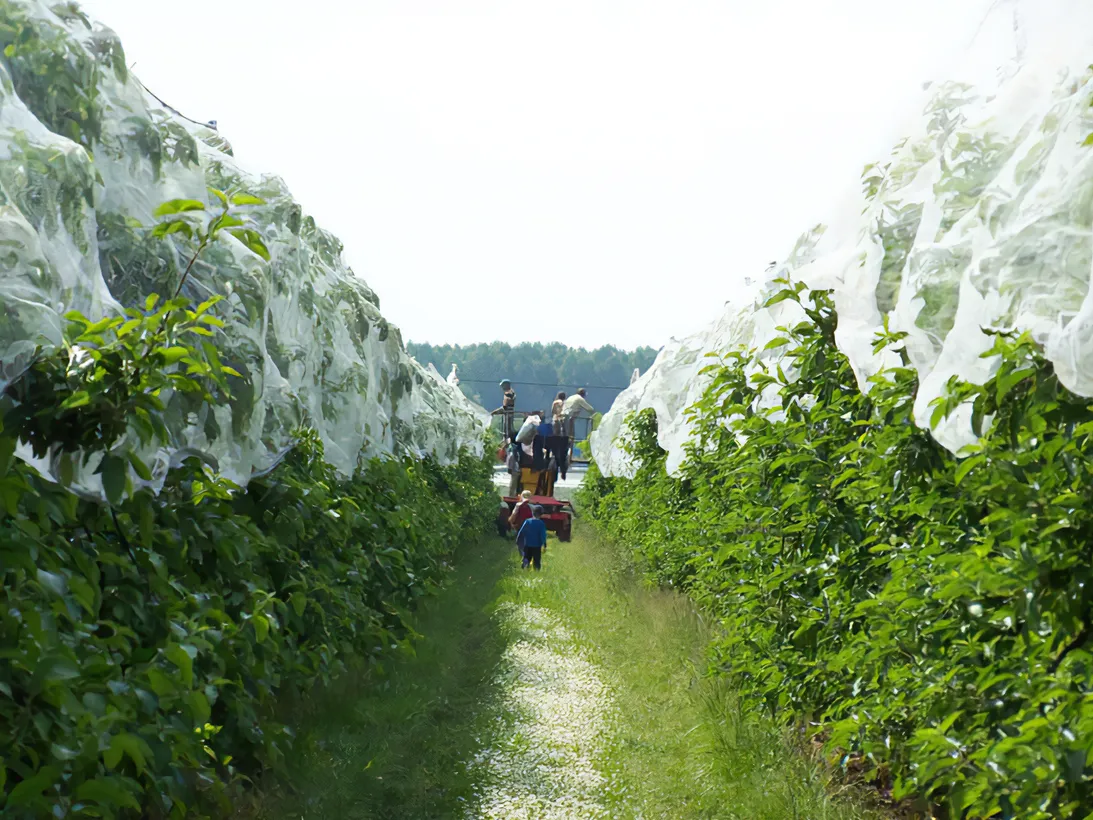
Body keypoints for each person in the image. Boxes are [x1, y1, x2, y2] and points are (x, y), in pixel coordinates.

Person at [516, 506, 548, 571]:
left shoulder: (527, 521)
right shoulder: (541, 523)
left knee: (526, 559)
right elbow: (543, 535)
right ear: (541, 514)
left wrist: (518, 540)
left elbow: (521, 532)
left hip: (527, 545)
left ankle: (524, 570)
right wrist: (544, 544)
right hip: (537, 546)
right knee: (536, 561)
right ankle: (536, 571)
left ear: (532, 513)